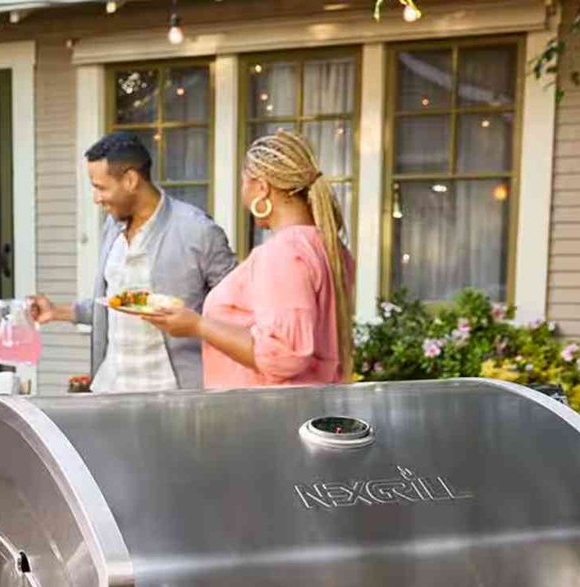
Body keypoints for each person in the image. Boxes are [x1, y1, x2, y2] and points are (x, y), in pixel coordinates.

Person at [141, 130, 356, 388]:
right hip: (312, 412)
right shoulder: (330, 248)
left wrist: (196, 326)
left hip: (268, 417)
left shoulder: (284, 253)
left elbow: (284, 354)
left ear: (262, 187)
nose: (243, 195)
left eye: (244, 183)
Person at [27, 131, 236, 392]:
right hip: (111, 388)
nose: (96, 198)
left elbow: (237, 312)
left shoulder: (198, 231)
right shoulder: (113, 228)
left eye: (101, 187)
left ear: (130, 180)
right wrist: (56, 311)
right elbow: (116, 305)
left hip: (172, 395)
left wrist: (195, 325)